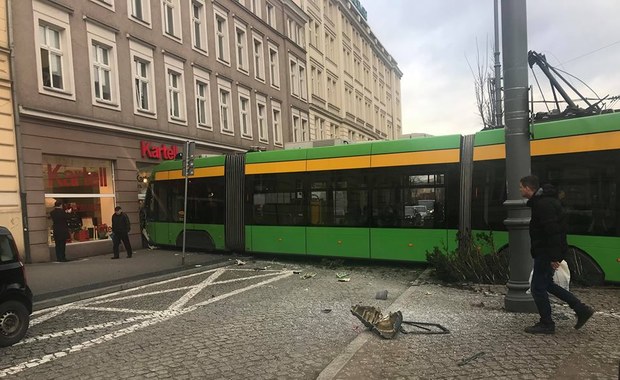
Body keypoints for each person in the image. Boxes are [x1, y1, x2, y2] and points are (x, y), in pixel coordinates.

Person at [519, 175, 594, 334]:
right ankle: (581, 309)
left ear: (528, 188)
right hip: (547, 251)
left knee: (537, 288)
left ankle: (546, 323)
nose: (519, 190)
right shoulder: (545, 202)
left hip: (545, 252)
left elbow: (552, 232)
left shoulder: (543, 205)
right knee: (547, 284)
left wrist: (554, 257)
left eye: (521, 187)